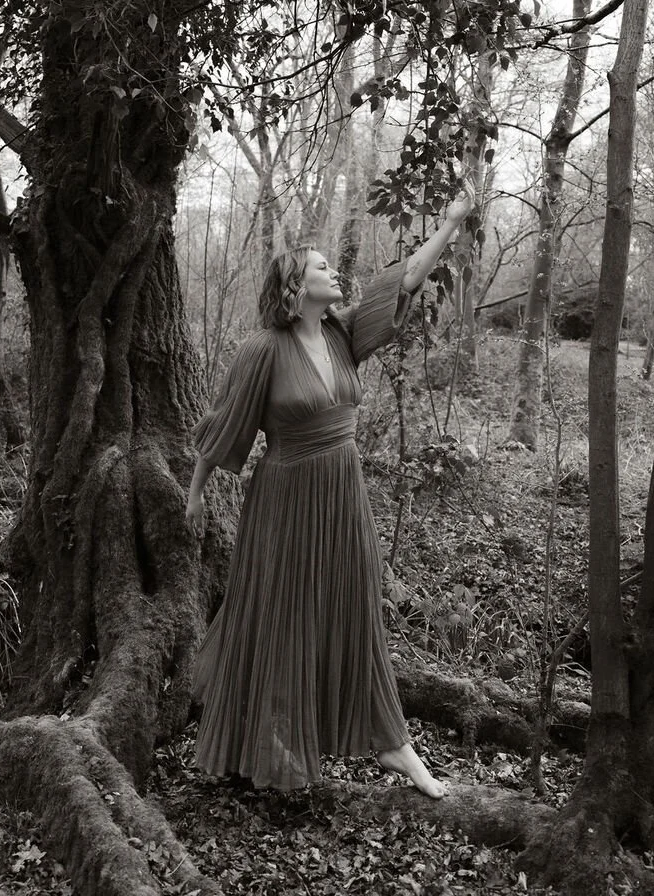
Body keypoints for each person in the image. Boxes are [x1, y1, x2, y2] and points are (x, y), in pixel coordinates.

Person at [186, 187, 474, 797]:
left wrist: (451, 222)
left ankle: (394, 745)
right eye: (322, 266)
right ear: (296, 287)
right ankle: (267, 745)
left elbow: (407, 279)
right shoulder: (263, 349)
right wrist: (195, 493)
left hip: (342, 496)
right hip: (285, 500)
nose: (335, 271)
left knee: (355, 605)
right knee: (280, 615)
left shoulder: (344, 336)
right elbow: (224, 424)